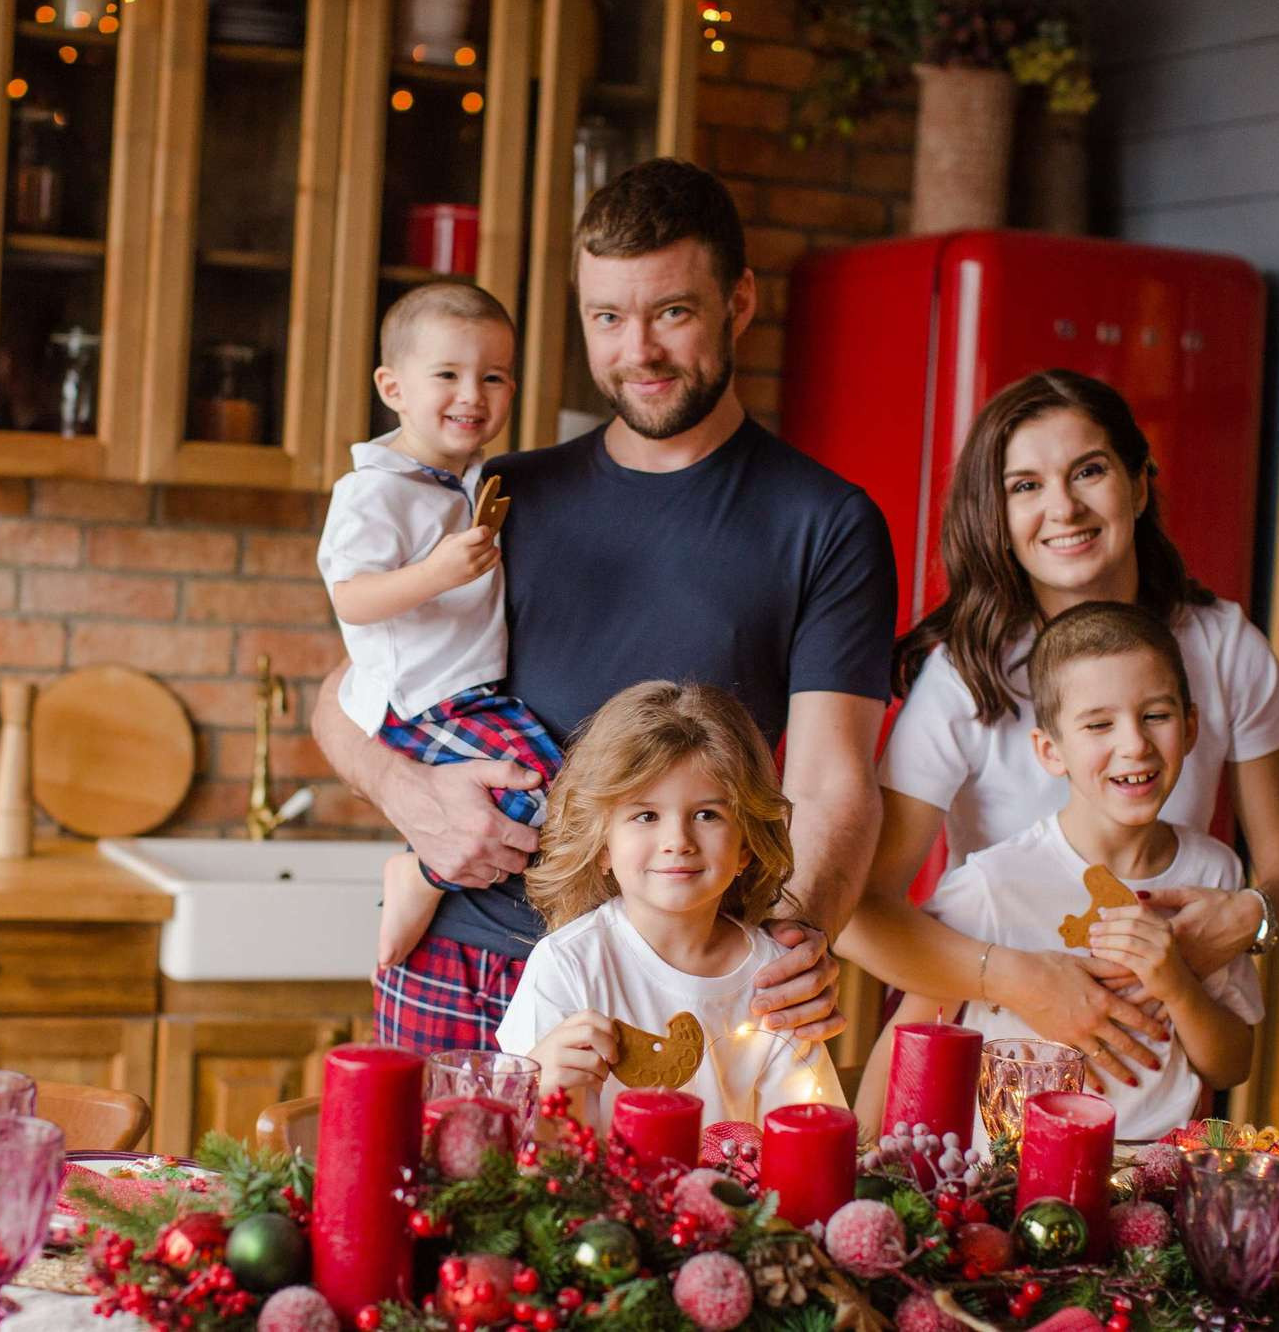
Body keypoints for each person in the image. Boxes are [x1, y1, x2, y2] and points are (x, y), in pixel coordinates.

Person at [313, 159, 896, 1053]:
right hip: (461, 964)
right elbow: (350, 691)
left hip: (669, 979)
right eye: (608, 318)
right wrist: (407, 793)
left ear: (738, 302)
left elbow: (830, 782)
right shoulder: (499, 493)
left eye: (673, 312)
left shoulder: (827, 522)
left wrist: (795, 934)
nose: (639, 351)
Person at [836, 369, 1279, 1093]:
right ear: (996, 515)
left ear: (1139, 485)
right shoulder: (965, 675)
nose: (1063, 507)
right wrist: (1024, 981)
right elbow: (859, 912)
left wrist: (1246, 918)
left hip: (1153, 1074)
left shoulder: (1223, 647)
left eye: (1089, 471)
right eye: (1026, 485)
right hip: (998, 1065)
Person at [856, 603, 1259, 1140]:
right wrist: (860, 1164)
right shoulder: (996, 883)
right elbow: (908, 1037)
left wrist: (1178, 985)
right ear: (1051, 751)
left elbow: (1231, 1066)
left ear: (1190, 728)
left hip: (1153, 1174)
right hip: (1006, 1176)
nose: (1134, 744)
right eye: (1099, 724)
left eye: (1156, 716)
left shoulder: (1214, 873)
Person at [315, 283, 565, 976]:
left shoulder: (466, 478)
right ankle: (420, 873)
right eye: (448, 375)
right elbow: (351, 597)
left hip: (469, 693)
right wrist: (436, 572)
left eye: (494, 377)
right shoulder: (374, 490)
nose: (472, 395)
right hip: (418, 700)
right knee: (540, 793)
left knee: (568, 790)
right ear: (392, 387)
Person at [497, 681, 848, 1126]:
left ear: (746, 845)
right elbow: (522, 1140)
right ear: (602, 846)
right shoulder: (568, 965)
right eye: (645, 815)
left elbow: (807, 1132)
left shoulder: (777, 981)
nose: (677, 841)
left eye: (707, 815)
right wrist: (541, 1086)